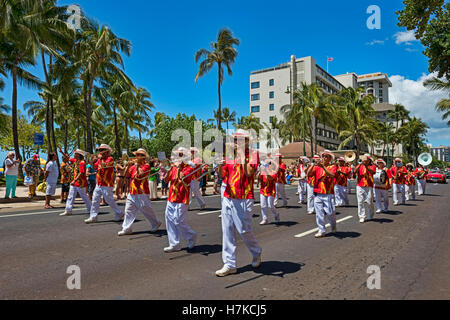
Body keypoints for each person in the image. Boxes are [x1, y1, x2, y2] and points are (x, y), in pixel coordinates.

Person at [216, 129, 262, 277]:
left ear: (246, 141)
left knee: (243, 229)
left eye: (239, 140)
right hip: (228, 195)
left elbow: (249, 173)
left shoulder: (254, 154)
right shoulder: (230, 155)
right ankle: (229, 264)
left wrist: (241, 154)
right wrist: (219, 166)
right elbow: (223, 175)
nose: (236, 142)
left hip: (244, 196)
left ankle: (256, 251)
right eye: (235, 139)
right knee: (227, 229)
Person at [118, 148, 162, 236]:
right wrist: (127, 165)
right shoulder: (133, 166)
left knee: (146, 208)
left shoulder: (146, 166)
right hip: (132, 191)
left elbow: (140, 175)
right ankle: (127, 228)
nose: (137, 157)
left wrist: (137, 165)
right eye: (136, 155)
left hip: (142, 191)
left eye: (139, 155)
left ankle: (156, 222)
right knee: (128, 210)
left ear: (143, 157)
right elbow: (126, 175)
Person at [163, 147, 197, 253]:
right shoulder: (173, 167)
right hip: (171, 197)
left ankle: (191, 236)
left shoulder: (189, 168)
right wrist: (168, 170)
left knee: (178, 220)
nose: (178, 157)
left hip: (182, 198)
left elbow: (182, 178)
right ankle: (174, 244)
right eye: (178, 155)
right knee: (169, 220)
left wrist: (177, 168)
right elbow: (166, 180)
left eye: (181, 155)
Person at [85, 144, 123, 224]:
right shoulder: (99, 159)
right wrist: (92, 161)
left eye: (102, 150)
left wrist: (100, 158)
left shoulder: (110, 158)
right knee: (95, 200)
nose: (100, 151)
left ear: (107, 151)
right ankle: (93, 217)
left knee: (109, 200)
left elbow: (104, 166)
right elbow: (94, 168)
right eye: (100, 150)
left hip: (107, 184)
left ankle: (119, 213)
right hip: (99, 183)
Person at [306, 150, 337, 238]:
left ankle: (333, 225)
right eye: (323, 156)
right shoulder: (317, 167)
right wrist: (313, 165)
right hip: (317, 193)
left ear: (330, 158)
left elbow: (332, 175)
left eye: (326, 156)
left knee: (330, 212)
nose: (324, 158)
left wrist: (323, 167)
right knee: (319, 213)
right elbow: (308, 174)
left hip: (328, 193)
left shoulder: (333, 166)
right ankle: (321, 230)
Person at [59, 149, 92, 216]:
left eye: (75, 154)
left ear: (79, 155)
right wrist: (62, 152)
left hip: (80, 183)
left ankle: (90, 208)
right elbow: (68, 158)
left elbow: (81, 173)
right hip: (74, 182)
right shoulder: (75, 161)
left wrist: (75, 180)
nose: (74, 155)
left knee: (84, 196)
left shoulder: (82, 162)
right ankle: (68, 210)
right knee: (70, 196)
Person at [354, 154, 376, 223]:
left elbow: (372, 172)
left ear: (369, 160)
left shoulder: (373, 166)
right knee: (360, 202)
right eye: (364, 159)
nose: (364, 161)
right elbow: (354, 172)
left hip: (369, 185)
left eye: (366, 160)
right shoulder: (359, 166)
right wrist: (360, 164)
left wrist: (366, 166)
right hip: (360, 185)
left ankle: (370, 215)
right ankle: (361, 216)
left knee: (369, 202)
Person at [258, 158, 279, 225]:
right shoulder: (263, 172)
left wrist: (266, 171)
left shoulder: (274, 172)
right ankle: (265, 219)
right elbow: (257, 178)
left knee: (270, 206)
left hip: (271, 191)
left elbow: (271, 178)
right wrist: (259, 172)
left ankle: (276, 214)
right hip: (263, 190)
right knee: (262, 206)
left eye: (269, 164)